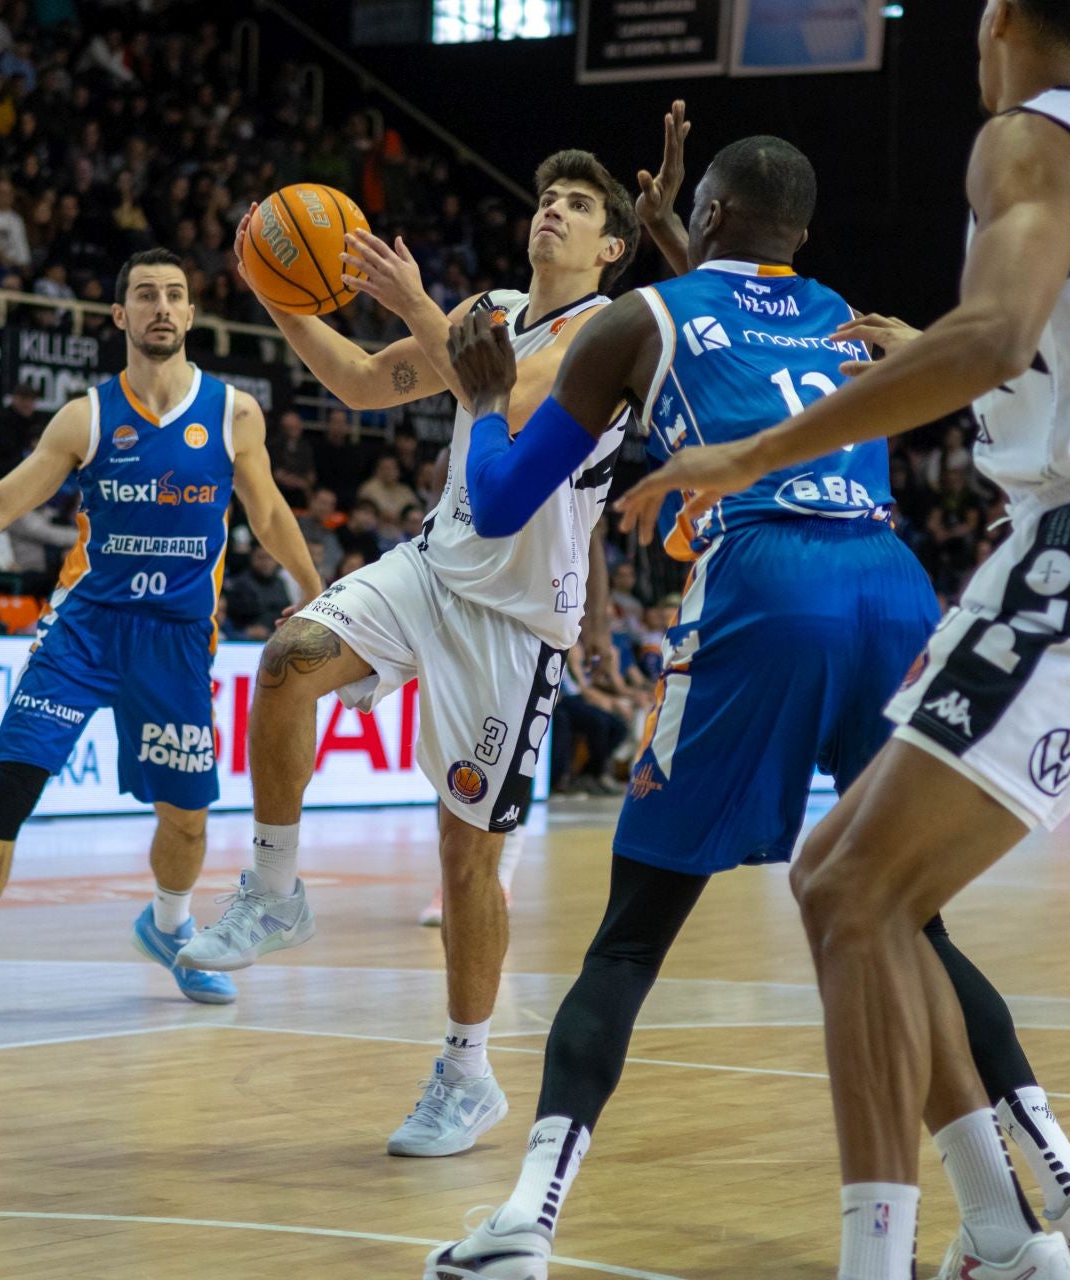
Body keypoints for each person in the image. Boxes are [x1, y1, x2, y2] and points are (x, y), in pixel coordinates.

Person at [429, 95, 1070, 1280]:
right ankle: (1053, 1198)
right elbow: (733, 321)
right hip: (897, 591)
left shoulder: (633, 321)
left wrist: (481, 395)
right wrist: (677, 233)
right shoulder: (840, 314)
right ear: (796, 234)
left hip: (765, 586)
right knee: (907, 917)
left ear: (704, 213)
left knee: (631, 933)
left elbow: (503, 500)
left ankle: (524, 1220)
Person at [608, 7, 1070, 1278]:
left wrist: (748, 451)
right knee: (852, 877)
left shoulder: (1023, 136)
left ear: (997, 19)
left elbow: (994, 332)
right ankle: (1003, 1233)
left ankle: (882, 1257)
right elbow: (1049, 351)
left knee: (849, 892)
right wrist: (955, 361)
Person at [179, 149, 638, 1162]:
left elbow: (513, 406)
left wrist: (424, 307)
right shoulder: (489, 305)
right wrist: (273, 288)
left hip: (515, 627)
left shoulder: (610, 332)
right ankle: (274, 889)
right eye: (546, 197)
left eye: (577, 206)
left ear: (610, 246)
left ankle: (467, 1071)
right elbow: (353, 375)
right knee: (290, 656)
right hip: (432, 568)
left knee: (466, 861)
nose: (552, 212)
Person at [0, 249, 323, 1025]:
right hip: (83, 631)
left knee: (186, 820)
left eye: (176, 296)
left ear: (192, 316)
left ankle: (167, 928)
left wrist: (314, 589)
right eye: (145, 295)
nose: (162, 307)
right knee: (10, 790)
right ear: (119, 317)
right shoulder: (87, 415)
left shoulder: (234, 413)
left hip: (179, 639)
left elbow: (266, 514)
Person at [222, 546, 293, 640]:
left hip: (277, 635)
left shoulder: (280, 583)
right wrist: (246, 630)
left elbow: (286, 611)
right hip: (245, 637)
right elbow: (230, 617)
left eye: (270, 558)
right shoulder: (239, 584)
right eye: (261, 557)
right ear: (252, 558)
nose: (266, 563)